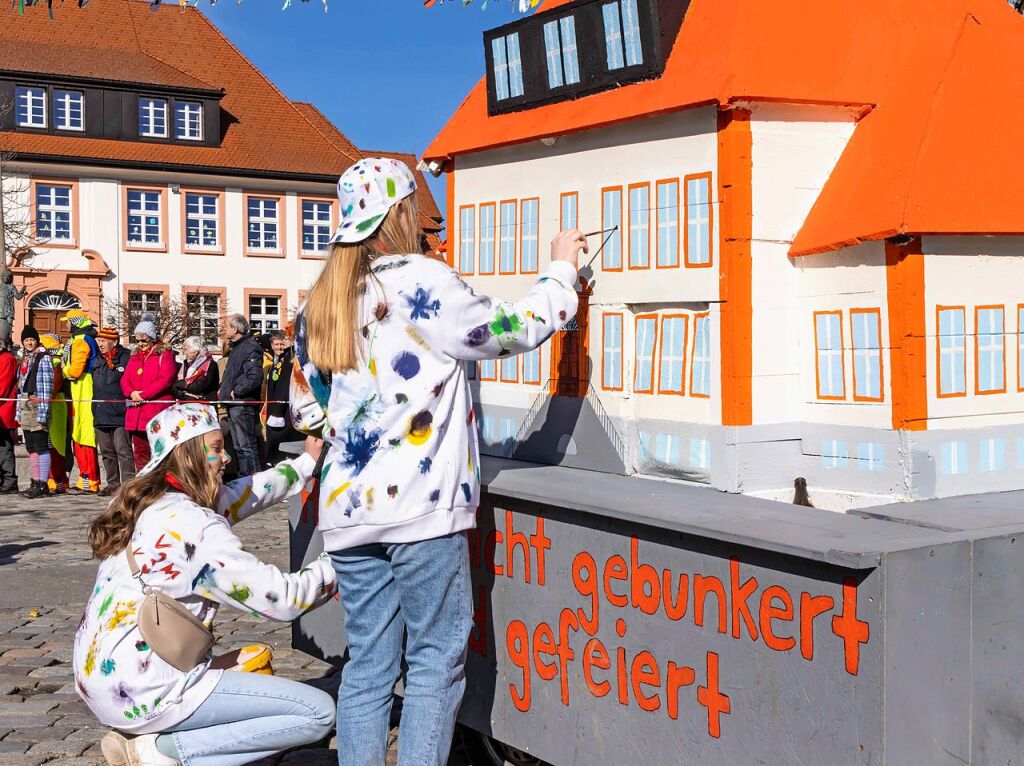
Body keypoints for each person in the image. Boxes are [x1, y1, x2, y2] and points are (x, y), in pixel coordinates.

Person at [290, 157, 584, 766]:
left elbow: (305, 407)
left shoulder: (324, 298)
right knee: (434, 665)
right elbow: (510, 330)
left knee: (368, 666)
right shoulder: (419, 279)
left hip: (346, 511)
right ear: (400, 214)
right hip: (420, 511)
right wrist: (562, 269)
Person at [73, 403, 338, 766]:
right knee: (316, 713)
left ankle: (148, 734)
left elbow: (245, 494)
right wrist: (340, 561)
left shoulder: (144, 501)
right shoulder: (192, 527)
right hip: (147, 687)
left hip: (103, 679)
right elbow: (282, 600)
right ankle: (161, 753)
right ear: (190, 455)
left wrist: (304, 464)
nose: (225, 457)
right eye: (215, 448)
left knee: (246, 669)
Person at [122, 313, 177, 471]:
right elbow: (125, 380)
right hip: (136, 412)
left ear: (152, 337)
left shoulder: (163, 355)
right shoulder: (134, 357)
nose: (140, 344)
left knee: (158, 450)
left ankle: (160, 483)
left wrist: (143, 395)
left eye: (143, 340)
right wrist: (131, 393)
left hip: (155, 411)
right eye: (137, 340)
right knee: (139, 451)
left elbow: (166, 379)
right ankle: (143, 482)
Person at [61, 310, 102, 493]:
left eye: (67, 322)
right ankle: (85, 480)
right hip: (81, 390)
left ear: (75, 322)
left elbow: (75, 371)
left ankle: (89, 480)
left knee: (83, 435)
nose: (65, 325)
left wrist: (63, 369)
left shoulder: (80, 340)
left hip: (84, 389)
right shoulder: (82, 338)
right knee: (80, 435)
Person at [218, 315, 263, 477]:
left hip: (242, 403)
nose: (225, 330)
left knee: (247, 446)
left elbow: (255, 376)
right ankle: (245, 479)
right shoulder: (236, 348)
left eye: (227, 326)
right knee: (239, 447)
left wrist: (236, 391)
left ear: (235, 329)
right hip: (234, 403)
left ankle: (254, 482)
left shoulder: (250, 347)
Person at [92, 327, 134, 497]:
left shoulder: (126, 358)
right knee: (107, 452)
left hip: (119, 413)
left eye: (103, 341)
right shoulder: (98, 360)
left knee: (123, 450)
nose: (100, 344)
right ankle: (112, 483)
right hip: (101, 412)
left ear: (114, 342)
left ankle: (129, 485)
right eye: (99, 341)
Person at [17, 326, 55, 499]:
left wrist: (44, 410)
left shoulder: (43, 357)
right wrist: (18, 412)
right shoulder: (26, 359)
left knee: (40, 445)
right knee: (31, 446)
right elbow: (20, 386)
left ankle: (43, 483)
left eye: (31, 339)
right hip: (26, 402)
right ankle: (34, 480)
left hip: (38, 402)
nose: (29, 342)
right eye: (26, 340)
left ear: (36, 340)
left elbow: (47, 385)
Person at [39, 333, 71, 494]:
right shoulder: (52, 361)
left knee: (55, 445)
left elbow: (55, 386)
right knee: (51, 444)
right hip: (50, 405)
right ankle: (56, 479)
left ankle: (58, 480)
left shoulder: (55, 362)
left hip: (55, 407)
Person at [263, 330, 299, 467]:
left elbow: (285, 385)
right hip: (276, 408)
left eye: (284, 341)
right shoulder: (282, 358)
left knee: (281, 451)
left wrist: (277, 412)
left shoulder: (290, 358)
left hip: (282, 413)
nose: (281, 345)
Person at [173, 336, 220, 403]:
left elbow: (201, 385)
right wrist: (180, 391)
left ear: (195, 351)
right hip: (187, 401)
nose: (184, 353)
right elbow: (176, 385)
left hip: (204, 402)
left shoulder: (210, 364)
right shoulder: (187, 363)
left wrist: (180, 385)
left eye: (186, 349)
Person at [0, 337, 19, 494]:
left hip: (4, 410)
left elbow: (3, 386)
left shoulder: (7, 359)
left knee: (4, 449)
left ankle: (9, 481)